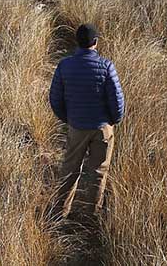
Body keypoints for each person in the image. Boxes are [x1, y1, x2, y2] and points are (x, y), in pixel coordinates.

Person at [49, 23, 124, 219]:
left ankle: (60, 212)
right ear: (96, 43)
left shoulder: (64, 66)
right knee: (98, 172)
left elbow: (55, 99)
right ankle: (91, 214)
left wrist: (69, 119)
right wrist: (113, 120)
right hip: (102, 128)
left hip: (77, 127)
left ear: (77, 42)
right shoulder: (106, 66)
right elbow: (117, 99)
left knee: (70, 168)